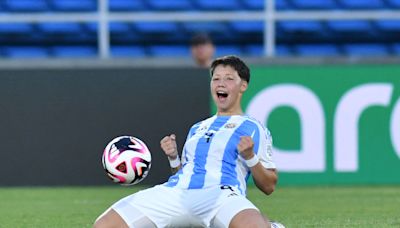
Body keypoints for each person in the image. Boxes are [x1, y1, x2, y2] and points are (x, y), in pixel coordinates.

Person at [94, 55, 283, 228]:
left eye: (229, 78)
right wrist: (174, 158)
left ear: (243, 86)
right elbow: (183, 173)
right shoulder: (197, 128)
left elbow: (269, 186)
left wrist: (250, 157)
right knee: (104, 225)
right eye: (216, 78)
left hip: (221, 194)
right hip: (177, 192)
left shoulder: (253, 127)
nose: (221, 83)